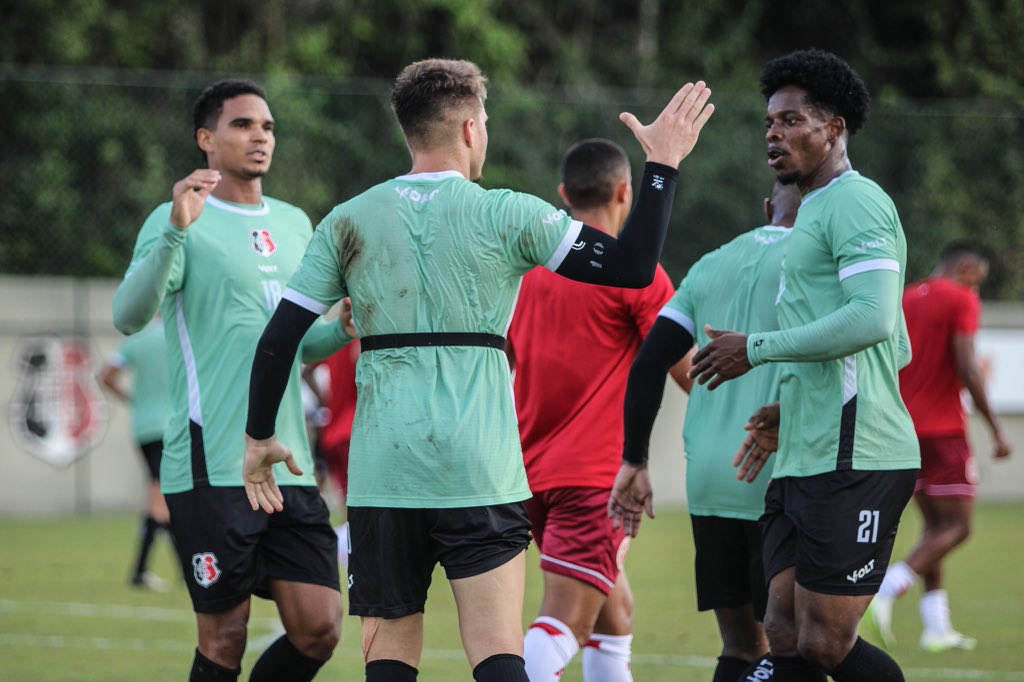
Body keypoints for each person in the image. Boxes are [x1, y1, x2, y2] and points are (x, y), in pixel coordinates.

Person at [241, 58, 714, 682]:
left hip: (384, 472)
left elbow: (279, 338)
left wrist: (258, 438)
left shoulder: (349, 218)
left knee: (388, 661)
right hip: (481, 469)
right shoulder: (509, 213)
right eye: (485, 121)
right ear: (469, 129)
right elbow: (631, 266)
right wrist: (663, 165)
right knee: (497, 655)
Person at [665, 49, 921, 682]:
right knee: (779, 629)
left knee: (825, 643)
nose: (773, 134)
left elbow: (875, 321)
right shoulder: (810, 217)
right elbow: (899, 347)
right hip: (805, 451)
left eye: (791, 120)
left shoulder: (856, 203)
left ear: (833, 128)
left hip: (857, 458)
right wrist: (801, 404)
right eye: (769, 122)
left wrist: (754, 348)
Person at [112, 79, 353, 682]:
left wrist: (342, 328)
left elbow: (296, 347)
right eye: (243, 124)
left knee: (320, 627)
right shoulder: (179, 219)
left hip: (285, 462)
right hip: (210, 462)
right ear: (206, 139)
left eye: (267, 126)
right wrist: (173, 228)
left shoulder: (297, 223)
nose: (260, 136)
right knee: (225, 640)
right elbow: (128, 316)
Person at [612, 180, 801, 682]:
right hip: (777, 472)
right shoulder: (819, 262)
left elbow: (650, 361)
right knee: (799, 648)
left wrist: (636, 459)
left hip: (710, 479)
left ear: (766, 208)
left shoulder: (711, 263)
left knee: (741, 647)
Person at [505, 138, 677, 682]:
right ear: (626, 192)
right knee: (559, 627)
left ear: (563, 195)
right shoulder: (638, 273)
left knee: (613, 608)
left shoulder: (527, 276)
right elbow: (690, 371)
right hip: (597, 480)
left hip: (530, 478)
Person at [870, 242, 1012, 652]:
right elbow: (968, 366)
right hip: (945, 431)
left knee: (936, 530)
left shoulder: (906, 296)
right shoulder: (960, 298)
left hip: (903, 430)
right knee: (959, 527)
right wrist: (996, 429)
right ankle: (888, 586)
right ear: (966, 268)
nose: (977, 291)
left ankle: (937, 628)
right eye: (978, 281)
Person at [99, 317, 173, 592]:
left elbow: (106, 375)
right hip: (172, 427)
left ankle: (183, 568)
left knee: (162, 494)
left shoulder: (136, 340)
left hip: (144, 427)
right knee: (160, 496)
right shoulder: (181, 335)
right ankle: (140, 571)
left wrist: (134, 400)